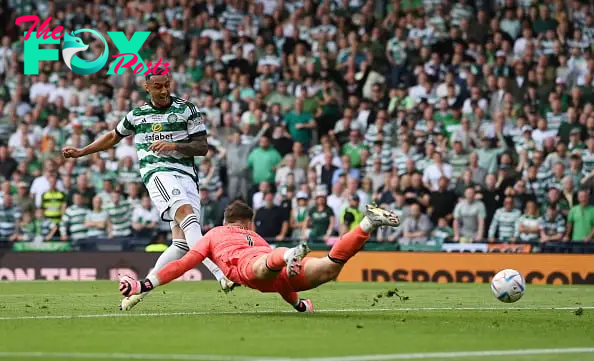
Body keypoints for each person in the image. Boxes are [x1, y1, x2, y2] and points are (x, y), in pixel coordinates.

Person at [62, 68, 234, 311]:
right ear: (147, 88)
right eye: (158, 86)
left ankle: (140, 290)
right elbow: (113, 136)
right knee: (188, 216)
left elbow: (202, 147)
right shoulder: (137, 115)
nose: (164, 90)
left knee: (182, 244)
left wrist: (174, 144)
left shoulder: (187, 109)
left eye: (167, 85)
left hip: (187, 176)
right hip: (158, 173)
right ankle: (220, 274)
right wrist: (81, 152)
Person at [119, 201, 400, 312]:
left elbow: (182, 264)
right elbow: (279, 284)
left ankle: (288, 253)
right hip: (281, 267)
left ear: (227, 219)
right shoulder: (257, 237)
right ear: (247, 222)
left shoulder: (213, 235)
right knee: (328, 268)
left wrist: (145, 284)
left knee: (261, 266)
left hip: (253, 266)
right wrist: (298, 304)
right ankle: (367, 224)